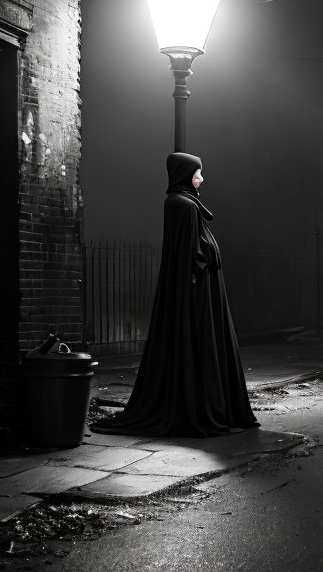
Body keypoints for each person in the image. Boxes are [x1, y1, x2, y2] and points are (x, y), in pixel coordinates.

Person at [93, 152, 258, 437]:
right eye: (197, 173)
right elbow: (193, 254)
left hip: (196, 289)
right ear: (185, 174)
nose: (202, 179)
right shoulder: (184, 206)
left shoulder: (181, 203)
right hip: (197, 292)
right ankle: (202, 407)